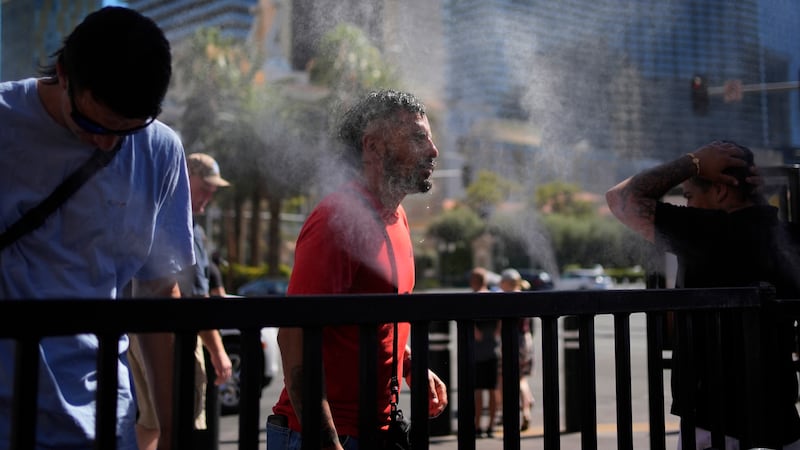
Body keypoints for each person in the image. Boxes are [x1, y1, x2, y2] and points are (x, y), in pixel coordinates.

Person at [0, 6, 193, 450]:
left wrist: (174, 432)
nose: (107, 143)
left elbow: (161, 296)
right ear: (64, 74)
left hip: (106, 421)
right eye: (91, 123)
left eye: (126, 129)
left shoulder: (160, 151)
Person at [266, 89, 448, 450]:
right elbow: (294, 341)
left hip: (377, 432)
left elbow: (375, 315)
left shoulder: (398, 217)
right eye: (417, 137)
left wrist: (408, 363)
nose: (433, 151)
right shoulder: (337, 220)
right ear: (374, 147)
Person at [606, 140, 800, 449]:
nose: (687, 206)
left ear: (721, 190)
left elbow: (620, 199)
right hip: (783, 423)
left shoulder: (705, 233)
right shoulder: (788, 238)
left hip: (715, 425)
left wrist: (693, 163)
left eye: (689, 196)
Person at [130, 153, 234, 450]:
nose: (210, 195)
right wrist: (218, 351)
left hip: (140, 333)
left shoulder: (157, 213)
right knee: (177, 423)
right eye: (205, 186)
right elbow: (194, 299)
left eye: (214, 190)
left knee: (151, 422)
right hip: (173, 337)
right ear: (186, 177)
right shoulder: (183, 223)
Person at [498, 268, 535, 432]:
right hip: (526, 339)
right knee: (522, 377)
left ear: (507, 283)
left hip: (514, 340)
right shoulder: (523, 295)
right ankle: (527, 404)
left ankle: (520, 411)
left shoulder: (506, 298)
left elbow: (501, 324)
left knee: (511, 377)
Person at [470, 267, 501, 438]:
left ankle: (477, 425)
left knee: (478, 391)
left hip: (478, 351)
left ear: (474, 282)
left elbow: (472, 324)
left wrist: (477, 333)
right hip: (492, 350)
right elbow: (499, 324)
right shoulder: (493, 297)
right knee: (493, 389)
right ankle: (491, 425)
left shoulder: (473, 298)